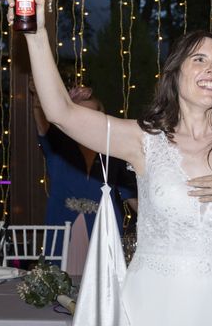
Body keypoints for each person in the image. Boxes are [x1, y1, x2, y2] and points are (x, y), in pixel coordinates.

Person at [7, 0, 212, 326]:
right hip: (154, 303)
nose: (211, 68)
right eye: (199, 59)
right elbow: (60, 113)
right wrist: (36, 36)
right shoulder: (144, 140)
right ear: (175, 73)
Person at [28, 78, 137, 275]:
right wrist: (40, 94)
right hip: (63, 231)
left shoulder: (114, 152)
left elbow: (131, 196)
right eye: (82, 114)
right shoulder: (58, 148)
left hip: (103, 234)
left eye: (93, 114)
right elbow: (41, 115)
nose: (88, 121)